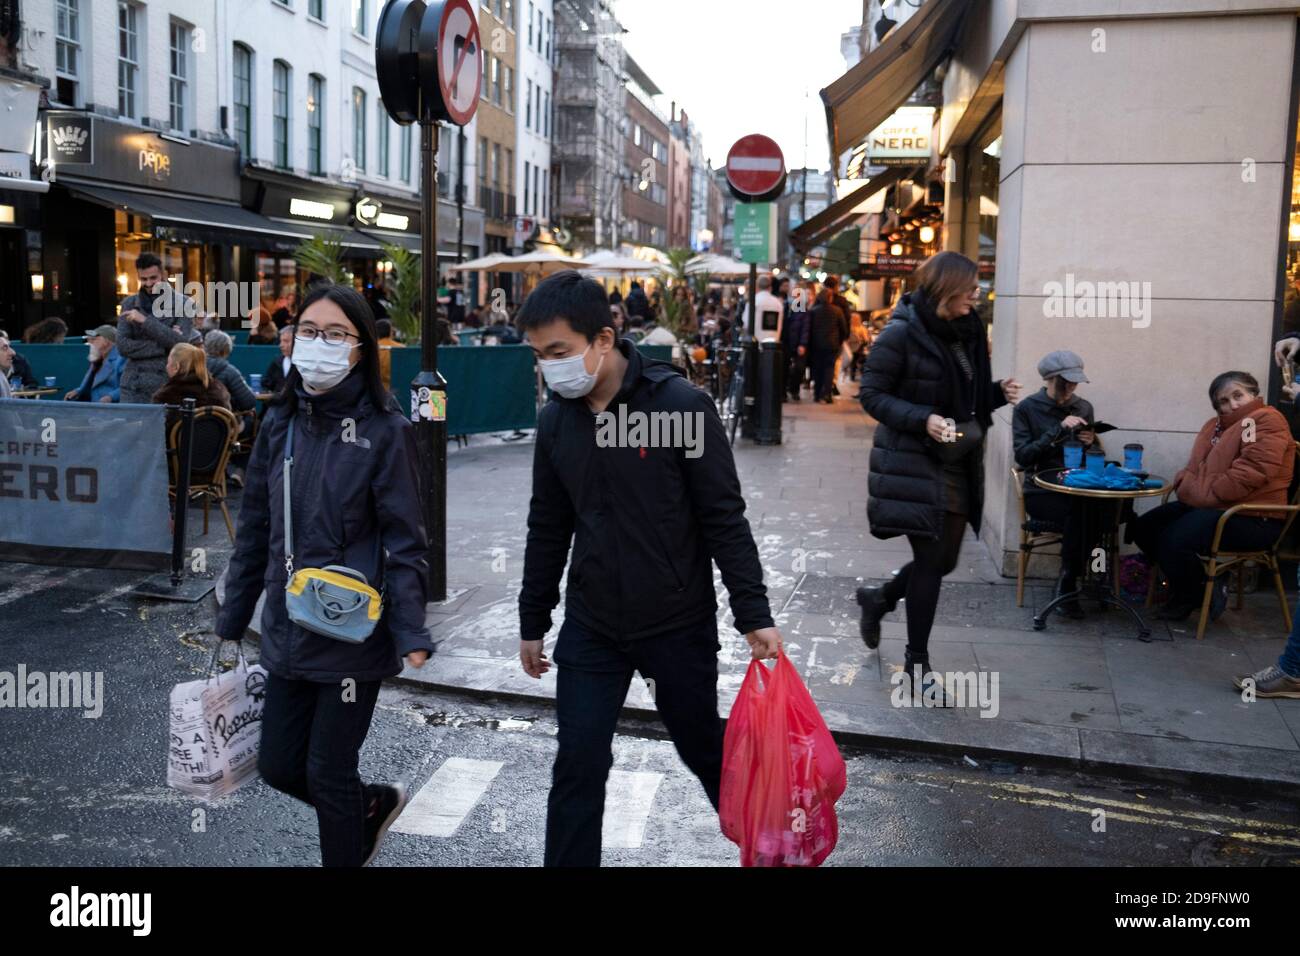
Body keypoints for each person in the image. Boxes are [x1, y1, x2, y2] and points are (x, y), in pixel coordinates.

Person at [517, 270, 783, 867]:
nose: (548, 368)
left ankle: (770, 850)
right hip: (592, 627)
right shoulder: (557, 420)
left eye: (558, 352)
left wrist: (753, 612)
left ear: (604, 339)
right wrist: (533, 618)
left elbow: (724, 518)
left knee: (704, 751)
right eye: (539, 356)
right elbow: (548, 525)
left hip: (675, 624)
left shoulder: (681, 407)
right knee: (578, 763)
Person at [213, 283, 435, 867]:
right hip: (288, 623)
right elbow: (256, 526)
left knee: (327, 772)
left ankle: (351, 817)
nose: (319, 344)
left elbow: (406, 538)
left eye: (336, 334)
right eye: (308, 331)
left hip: (351, 630)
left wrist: (411, 630)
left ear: (360, 349)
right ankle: (371, 805)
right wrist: (234, 616)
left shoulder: (386, 431)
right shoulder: (280, 421)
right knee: (279, 764)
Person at [856, 251, 1021, 695]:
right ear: (946, 287)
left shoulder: (966, 333)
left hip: (957, 458)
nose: (976, 294)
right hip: (914, 460)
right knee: (931, 561)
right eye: (969, 287)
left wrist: (994, 394)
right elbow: (871, 395)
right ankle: (917, 668)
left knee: (945, 560)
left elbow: (962, 402)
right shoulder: (901, 334)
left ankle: (881, 598)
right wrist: (922, 417)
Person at [1133, 371, 1293, 622]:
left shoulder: (1261, 420)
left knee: (1175, 540)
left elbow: (1249, 474)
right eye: (1224, 401)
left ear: (1253, 393)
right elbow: (1192, 470)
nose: (1233, 405)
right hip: (1213, 506)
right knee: (1144, 528)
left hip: (1254, 516)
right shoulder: (1215, 425)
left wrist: (1196, 493)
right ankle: (1204, 587)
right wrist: (1192, 489)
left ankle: (1189, 595)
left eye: (1238, 395)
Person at [1012, 350, 1101, 618]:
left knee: (1102, 508)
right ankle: (1071, 581)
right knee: (1082, 512)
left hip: (1078, 485)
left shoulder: (1083, 407)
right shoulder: (1027, 408)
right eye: (1066, 382)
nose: (1071, 388)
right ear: (1050, 379)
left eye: (1075, 382)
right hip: (1041, 489)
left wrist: (1091, 442)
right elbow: (1023, 456)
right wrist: (1058, 430)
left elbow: (1093, 456)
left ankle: (1074, 579)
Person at [117, 252, 201, 404]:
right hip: (132, 386)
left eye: (153, 278)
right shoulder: (128, 304)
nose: (149, 284)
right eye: (144, 279)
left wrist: (144, 321)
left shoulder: (184, 304)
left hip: (165, 384)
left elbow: (181, 345)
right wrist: (165, 344)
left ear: (163, 275)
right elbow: (123, 346)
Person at [152, 343, 231, 425]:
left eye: (168, 362)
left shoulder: (166, 396)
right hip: (215, 438)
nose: (166, 366)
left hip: (177, 438)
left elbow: (155, 428)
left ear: (176, 367)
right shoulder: (219, 391)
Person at [65, 325, 125, 403]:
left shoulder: (122, 359)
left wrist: (111, 397)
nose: (89, 343)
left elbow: (129, 387)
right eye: (89, 340)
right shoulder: (98, 359)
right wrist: (77, 391)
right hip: (94, 406)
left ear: (106, 341)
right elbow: (91, 385)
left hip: (112, 409)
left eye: (93, 340)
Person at [202, 330, 257, 414]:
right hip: (224, 422)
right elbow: (249, 402)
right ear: (226, 350)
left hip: (193, 421)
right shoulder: (230, 371)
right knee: (251, 414)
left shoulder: (192, 367)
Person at [807, 287, 846, 403]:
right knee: (829, 369)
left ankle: (817, 395)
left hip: (816, 345)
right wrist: (840, 340)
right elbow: (843, 328)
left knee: (817, 369)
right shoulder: (837, 310)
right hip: (832, 345)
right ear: (829, 298)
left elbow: (810, 328)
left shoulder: (814, 311)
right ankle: (827, 395)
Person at [742, 275, 784, 344]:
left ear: (757, 286)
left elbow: (746, 323)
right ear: (770, 287)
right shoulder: (778, 303)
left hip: (755, 344)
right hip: (772, 345)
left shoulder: (753, 301)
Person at [263, 324, 296, 397]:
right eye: (281, 341)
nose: (281, 345)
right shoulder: (277, 362)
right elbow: (266, 384)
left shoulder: (305, 365)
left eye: (286, 341)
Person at [375, 318, 406, 390]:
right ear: (390, 332)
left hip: (378, 389)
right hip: (398, 389)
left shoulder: (372, 348)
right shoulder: (402, 348)